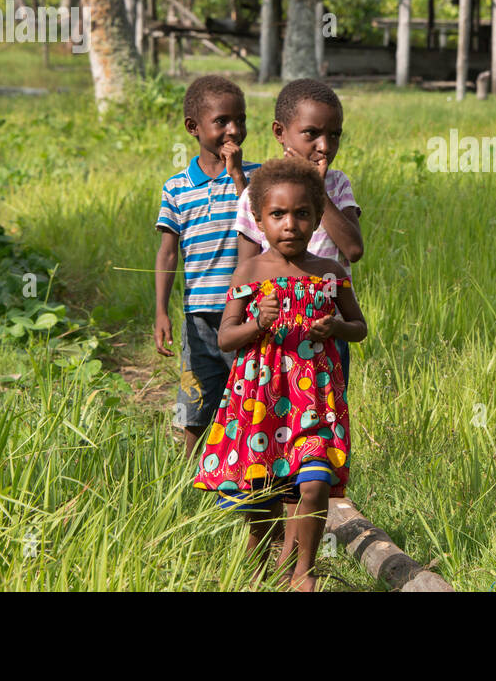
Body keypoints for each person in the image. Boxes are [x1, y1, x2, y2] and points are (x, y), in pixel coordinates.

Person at [195, 156, 367, 591]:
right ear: (258, 218)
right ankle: (255, 573)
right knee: (263, 502)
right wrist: (259, 323)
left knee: (313, 483)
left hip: (313, 398)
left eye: (302, 213)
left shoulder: (329, 274)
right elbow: (226, 339)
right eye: (278, 214)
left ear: (317, 217)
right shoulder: (249, 272)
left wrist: (336, 328)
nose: (290, 224)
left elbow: (360, 327)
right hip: (261, 401)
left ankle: (303, 574)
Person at [154, 75, 259, 458]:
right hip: (199, 314)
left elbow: (262, 222)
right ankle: (191, 480)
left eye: (241, 120)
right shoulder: (177, 187)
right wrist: (161, 311)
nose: (234, 130)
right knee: (196, 404)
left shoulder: (258, 178)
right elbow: (168, 253)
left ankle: (248, 474)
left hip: (248, 312)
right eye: (222, 122)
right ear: (193, 128)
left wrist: (237, 176)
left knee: (249, 401)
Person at [234, 79, 362, 384]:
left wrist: (319, 191)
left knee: (326, 411)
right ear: (280, 132)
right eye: (311, 134)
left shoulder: (337, 184)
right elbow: (247, 270)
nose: (325, 146)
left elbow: (354, 250)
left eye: (334, 135)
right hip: (273, 335)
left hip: (328, 329)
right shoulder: (259, 193)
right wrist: (253, 324)